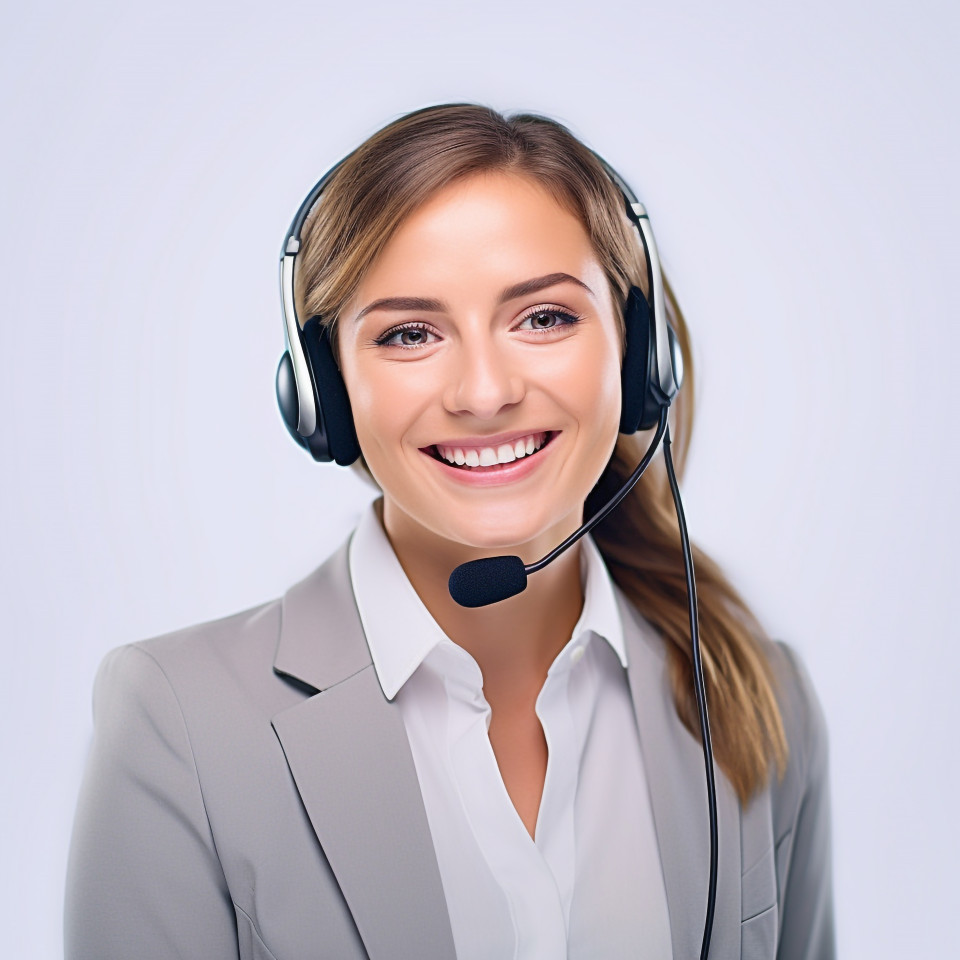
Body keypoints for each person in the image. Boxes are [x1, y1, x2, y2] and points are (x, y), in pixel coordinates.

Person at [64, 103, 835, 960]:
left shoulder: (754, 691)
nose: (483, 391)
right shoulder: (182, 724)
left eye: (544, 317)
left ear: (639, 352)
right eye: (409, 333)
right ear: (323, 396)